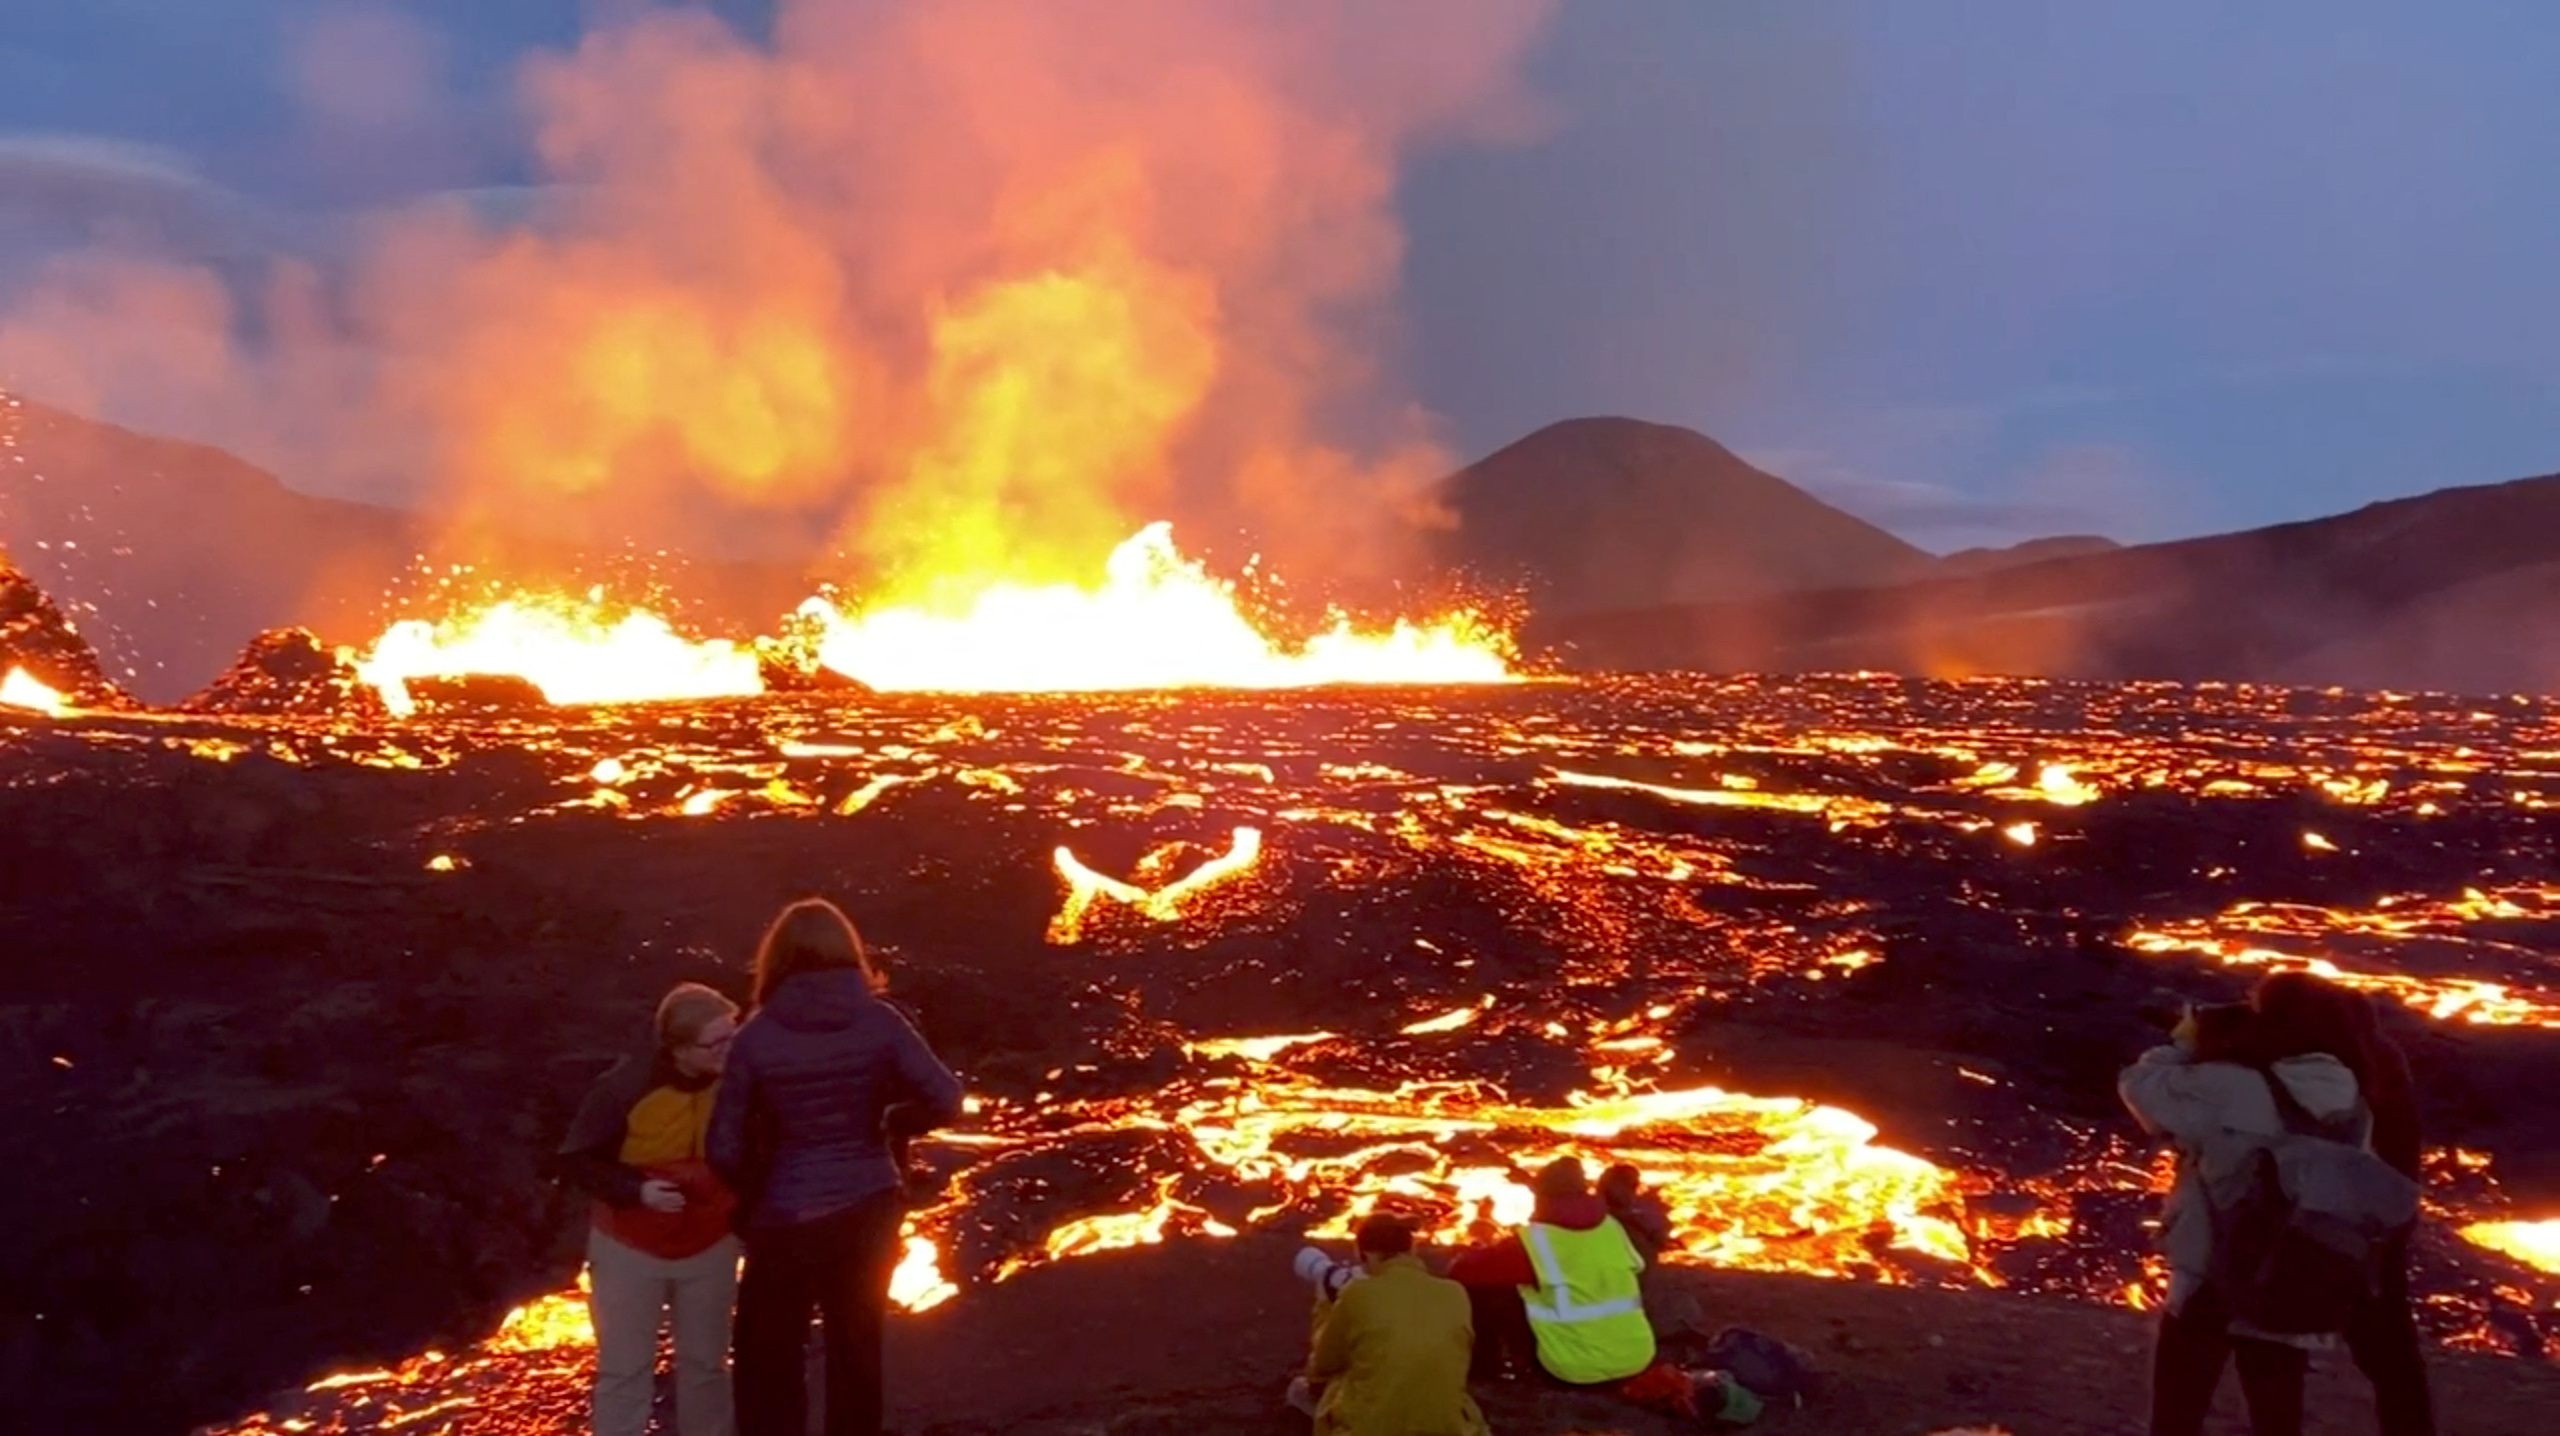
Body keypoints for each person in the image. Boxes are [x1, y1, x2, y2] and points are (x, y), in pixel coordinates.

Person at [708, 899, 964, 1436]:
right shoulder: (881, 1022)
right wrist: (893, 1123)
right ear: (850, 953)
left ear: (774, 959)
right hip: (869, 1204)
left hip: (784, 1216)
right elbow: (946, 1098)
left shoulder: (755, 1038)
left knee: (768, 1357)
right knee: (856, 1349)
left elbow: (723, 1147)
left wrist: (749, 1199)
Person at [2119, 998, 2365, 1436]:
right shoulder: (2345, 1088)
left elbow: (2141, 1087)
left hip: (2215, 1262)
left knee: (2179, 1407)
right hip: (2300, 1265)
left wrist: (2183, 1042)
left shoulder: (2231, 1084)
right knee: (2277, 1409)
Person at [559, 982, 745, 1436]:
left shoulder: (740, 1081)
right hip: (630, 1247)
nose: (729, 1049)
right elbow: (577, 1160)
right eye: (715, 1043)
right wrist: (637, 1191)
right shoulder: (625, 1089)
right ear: (678, 1049)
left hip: (711, 1244)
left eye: (733, 1035)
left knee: (707, 1366)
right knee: (625, 1371)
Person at [2255, 972, 2436, 1436]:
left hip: (2317, 1228)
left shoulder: (2306, 1073)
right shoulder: (2379, 1059)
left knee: (2278, 1348)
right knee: (2393, 1358)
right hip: (2380, 1221)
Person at [1448, 1156, 1655, 1387]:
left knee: (1485, 1289)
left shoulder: (1537, 1241)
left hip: (1572, 1367)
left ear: (1542, 1198)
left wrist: (1480, 1248)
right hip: (1634, 1357)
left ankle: (1486, 1370)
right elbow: (1638, 1269)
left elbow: (1463, 1271)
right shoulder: (1611, 1228)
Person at [1295, 1214, 1488, 1436]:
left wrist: (1325, 1306)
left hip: (1371, 1428)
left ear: (1365, 1255)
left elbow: (1323, 1364)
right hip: (1446, 1427)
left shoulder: (1358, 1294)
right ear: (1412, 1250)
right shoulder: (1455, 1292)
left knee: (1303, 1391)